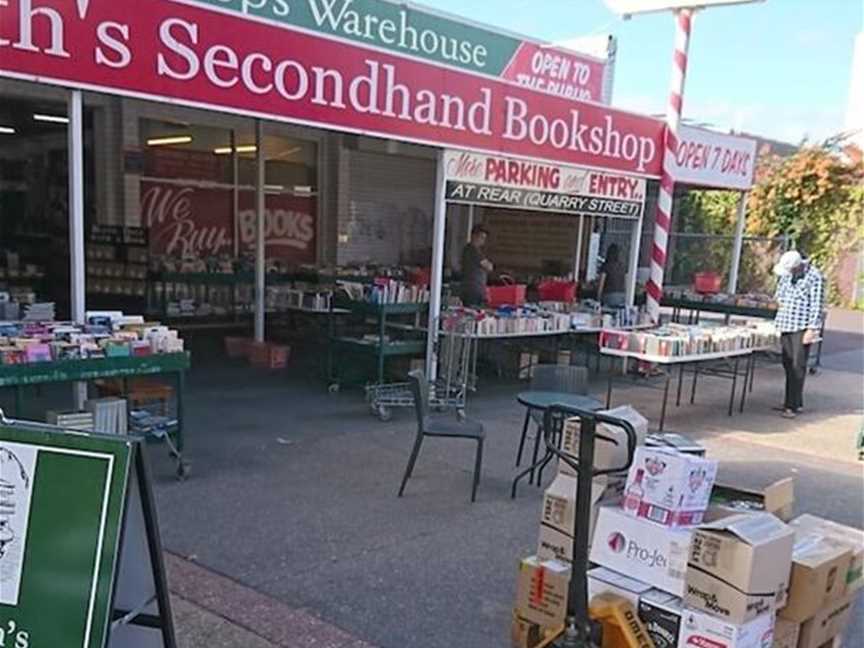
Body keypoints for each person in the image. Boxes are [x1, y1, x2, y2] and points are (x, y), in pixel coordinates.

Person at [773, 250, 824, 419]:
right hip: (785, 323)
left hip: (801, 326)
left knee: (798, 365)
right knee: (787, 362)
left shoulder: (814, 276)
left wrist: (812, 329)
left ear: (798, 266)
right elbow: (779, 293)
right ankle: (794, 400)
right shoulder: (787, 275)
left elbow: (817, 305)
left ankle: (791, 406)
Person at [460, 225, 494, 307]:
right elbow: (488, 267)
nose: (483, 241)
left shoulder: (469, 249)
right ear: (474, 236)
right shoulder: (473, 250)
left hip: (473, 288)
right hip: (473, 289)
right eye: (481, 237)